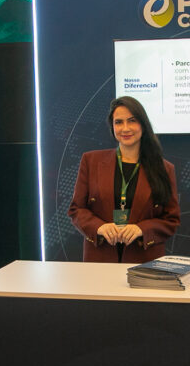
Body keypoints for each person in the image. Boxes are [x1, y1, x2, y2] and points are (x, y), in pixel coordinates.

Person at [68, 95, 180, 262]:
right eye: (119, 122)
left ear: (143, 125)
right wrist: (99, 227)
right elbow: (77, 210)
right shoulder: (90, 161)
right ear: (112, 127)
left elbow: (171, 220)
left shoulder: (164, 169)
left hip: (144, 262)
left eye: (132, 121)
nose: (125, 128)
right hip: (100, 259)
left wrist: (142, 229)